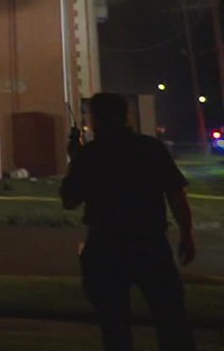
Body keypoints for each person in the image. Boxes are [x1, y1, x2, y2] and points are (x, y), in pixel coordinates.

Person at [61, 92, 197, 350]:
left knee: (114, 326)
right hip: (149, 242)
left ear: (97, 118)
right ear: (125, 116)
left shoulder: (92, 155)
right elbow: (176, 195)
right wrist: (187, 235)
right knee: (171, 318)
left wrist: (75, 159)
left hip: (106, 245)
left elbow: (70, 200)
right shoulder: (150, 147)